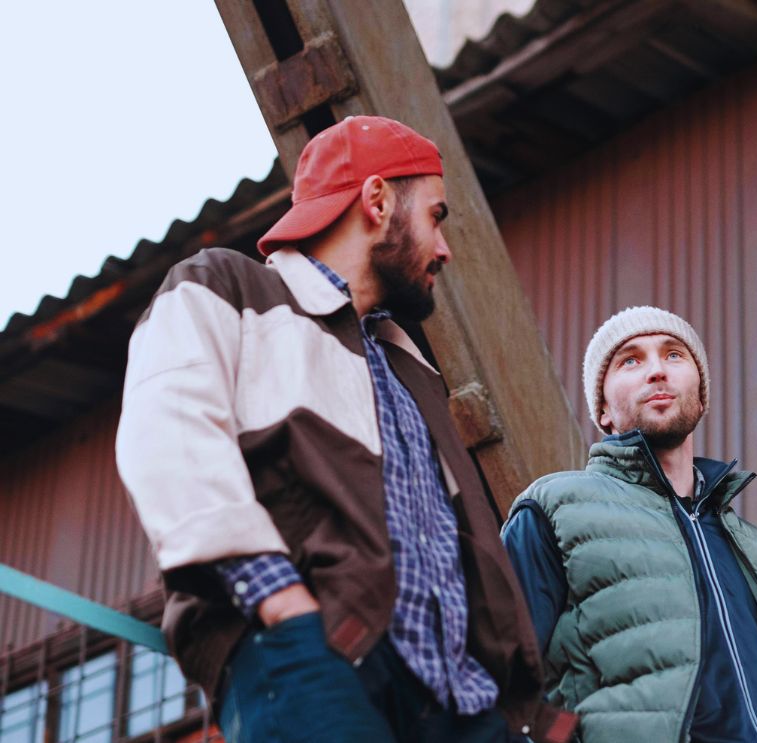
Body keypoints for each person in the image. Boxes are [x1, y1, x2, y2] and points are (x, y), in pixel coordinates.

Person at [115, 116, 573, 743]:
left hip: (456, 700)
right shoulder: (227, 287)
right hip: (315, 658)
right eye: (436, 217)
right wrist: (283, 605)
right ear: (378, 201)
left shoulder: (406, 361)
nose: (445, 248)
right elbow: (165, 437)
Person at [502, 306, 757, 743]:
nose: (657, 371)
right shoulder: (555, 510)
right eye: (631, 360)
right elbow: (499, 687)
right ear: (602, 409)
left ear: (701, 396)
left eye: (674, 355)